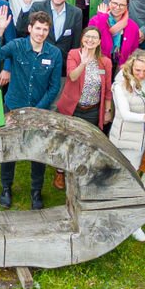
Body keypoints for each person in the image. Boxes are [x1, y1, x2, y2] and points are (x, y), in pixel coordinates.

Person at [0, 8, 63, 210]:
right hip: (13, 107)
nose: (41, 33)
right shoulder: (17, 45)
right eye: (37, 28)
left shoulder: (54, 54)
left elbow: (54, 87)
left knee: (38, 153)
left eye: (45, 29)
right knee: (9, 150)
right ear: (30, 28)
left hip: (39, 112)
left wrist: (36, 111)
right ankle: (6, 188)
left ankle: (36, 191)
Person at [53, 25, 113, 188]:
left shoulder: (105, 62)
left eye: (94, 37)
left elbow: (107, 89)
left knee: (87, 143)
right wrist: (83, 63)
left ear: (99, 41)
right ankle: (60, 172)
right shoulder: (74, 54)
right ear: (82, 39)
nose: (90, 40)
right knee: (66, 140)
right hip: (72, 109)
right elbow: (72, 76)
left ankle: (80, 170)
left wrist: (107, 111)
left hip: (92, 111)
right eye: (87, 36)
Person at [110, 51, 145, 185]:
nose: (141, 74)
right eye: (138, 70)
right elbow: (124, 114)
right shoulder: (120, 85)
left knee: (137, 175)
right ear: (130, 66)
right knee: (124, 176)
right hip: (127, 141)